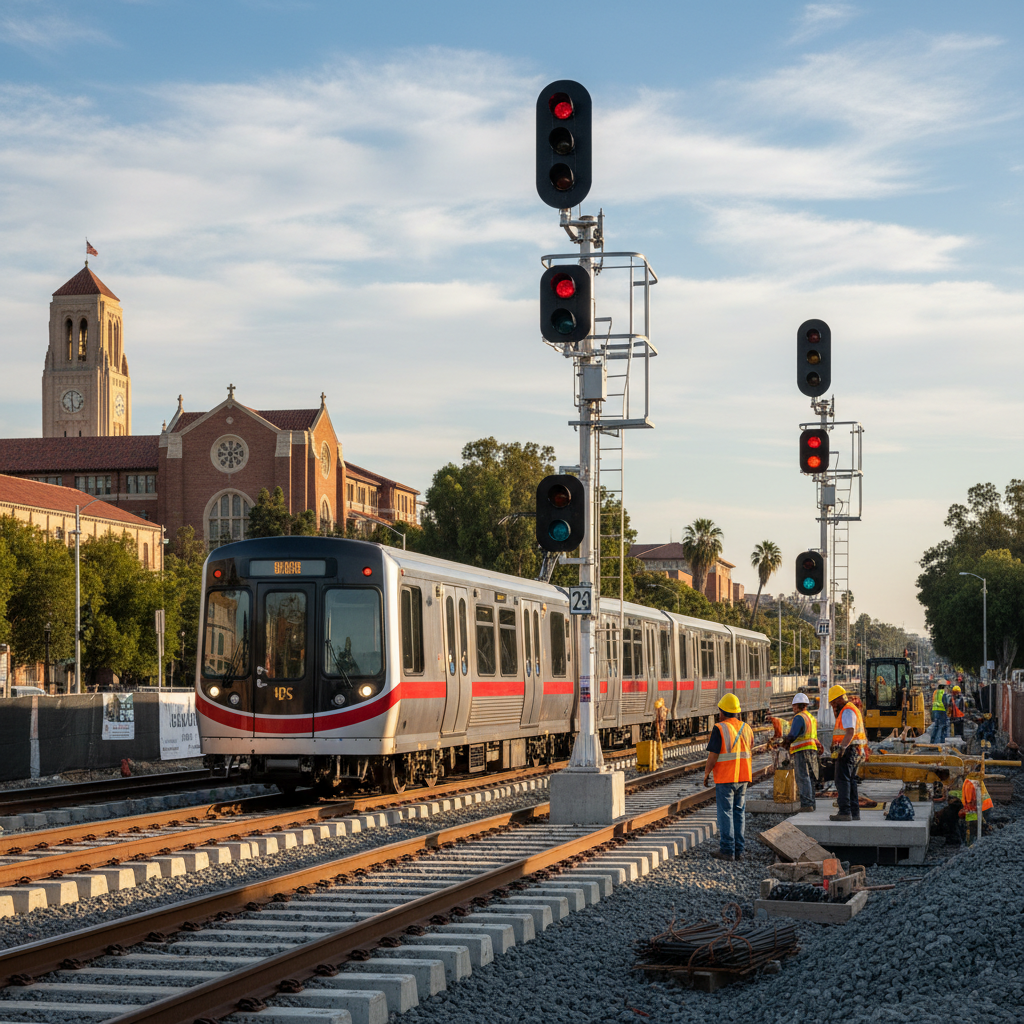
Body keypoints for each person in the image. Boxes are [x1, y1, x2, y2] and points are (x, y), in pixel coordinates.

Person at [703, 693, 753, 862]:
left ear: (723, 712)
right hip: (743, 777)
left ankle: (727, 849)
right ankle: (739, 851)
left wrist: (707, 773)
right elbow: (750, 747)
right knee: (739, 812)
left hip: (726, 778)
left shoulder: (720, 728)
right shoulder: (746, 728)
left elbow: (713, 755)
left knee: (726, 813)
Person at [828, 684, 868, 822]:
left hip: (849, 750)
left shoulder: (847, 711)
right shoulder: (852, 709)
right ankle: (854, 812)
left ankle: (845, 811)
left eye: (833, 703)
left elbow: (850, 732)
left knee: (842, 780)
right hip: (855, 750)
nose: (833, 706)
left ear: (839, 699)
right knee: (851, 781)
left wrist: (842, 748)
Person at [784, 693, 819, 811]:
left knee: (802, 776)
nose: (793, 708)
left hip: (802, 750)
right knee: (810, 777)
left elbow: (793, 734)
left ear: (797, 706)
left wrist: (785, 743)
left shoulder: (799, 717)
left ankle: (806, 804)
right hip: (812, 750)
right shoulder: (811, 717)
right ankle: (812, 803)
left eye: (794, 706)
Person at [958, 775, 993, 845]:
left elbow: (971, 801)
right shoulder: (973, 778)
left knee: (974, 828)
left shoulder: (968, 783)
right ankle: (984, 841)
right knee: (982, 826)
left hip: (981, 806)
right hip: (986, 804)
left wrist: (967, 812)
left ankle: (972, 844)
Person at [653, 697, 669, 767]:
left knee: (659, 745)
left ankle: (659, 760)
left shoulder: (660, 712)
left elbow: (658, 723)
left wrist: (658, 732)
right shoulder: (663, 710)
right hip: (660, 731)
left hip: (659, 732)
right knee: (659, 745)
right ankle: (660, 760)